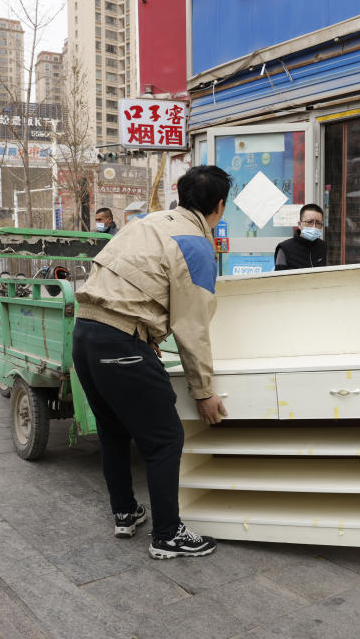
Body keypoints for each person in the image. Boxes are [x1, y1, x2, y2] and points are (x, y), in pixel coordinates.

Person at [72, 165, 231, 560]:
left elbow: (120, 278)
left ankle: (125, 513)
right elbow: (192, 325)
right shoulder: (195, 243)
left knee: (113, 432)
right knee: (165, 439)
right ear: (220, 206)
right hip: (120, 342)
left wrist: (144, 333)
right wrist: (204, 391)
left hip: (85, 333)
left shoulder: (148, 223)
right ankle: (167, 534)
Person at [273, 203, 327, 270]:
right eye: (309, 222)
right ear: (299, 224)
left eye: (318, 223)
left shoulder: (322, 246)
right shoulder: (284, 248)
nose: (314, 227)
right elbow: (278, 277)